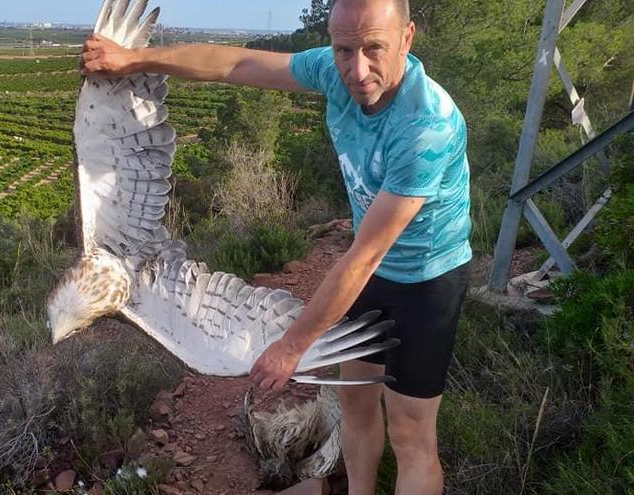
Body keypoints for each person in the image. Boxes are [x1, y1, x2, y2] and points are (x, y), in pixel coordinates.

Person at [80, 0, 472, 493]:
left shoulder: (426, 127)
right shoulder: (334, 71)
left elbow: (365, 255)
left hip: (425, 282)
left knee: (412, 434)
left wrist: (291, 347)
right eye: (344, 49)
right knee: (355, 403)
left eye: (374, 48)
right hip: (368, 276)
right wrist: (135, 60)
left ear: (408, 38)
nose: (357, 69)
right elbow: (236, 64)